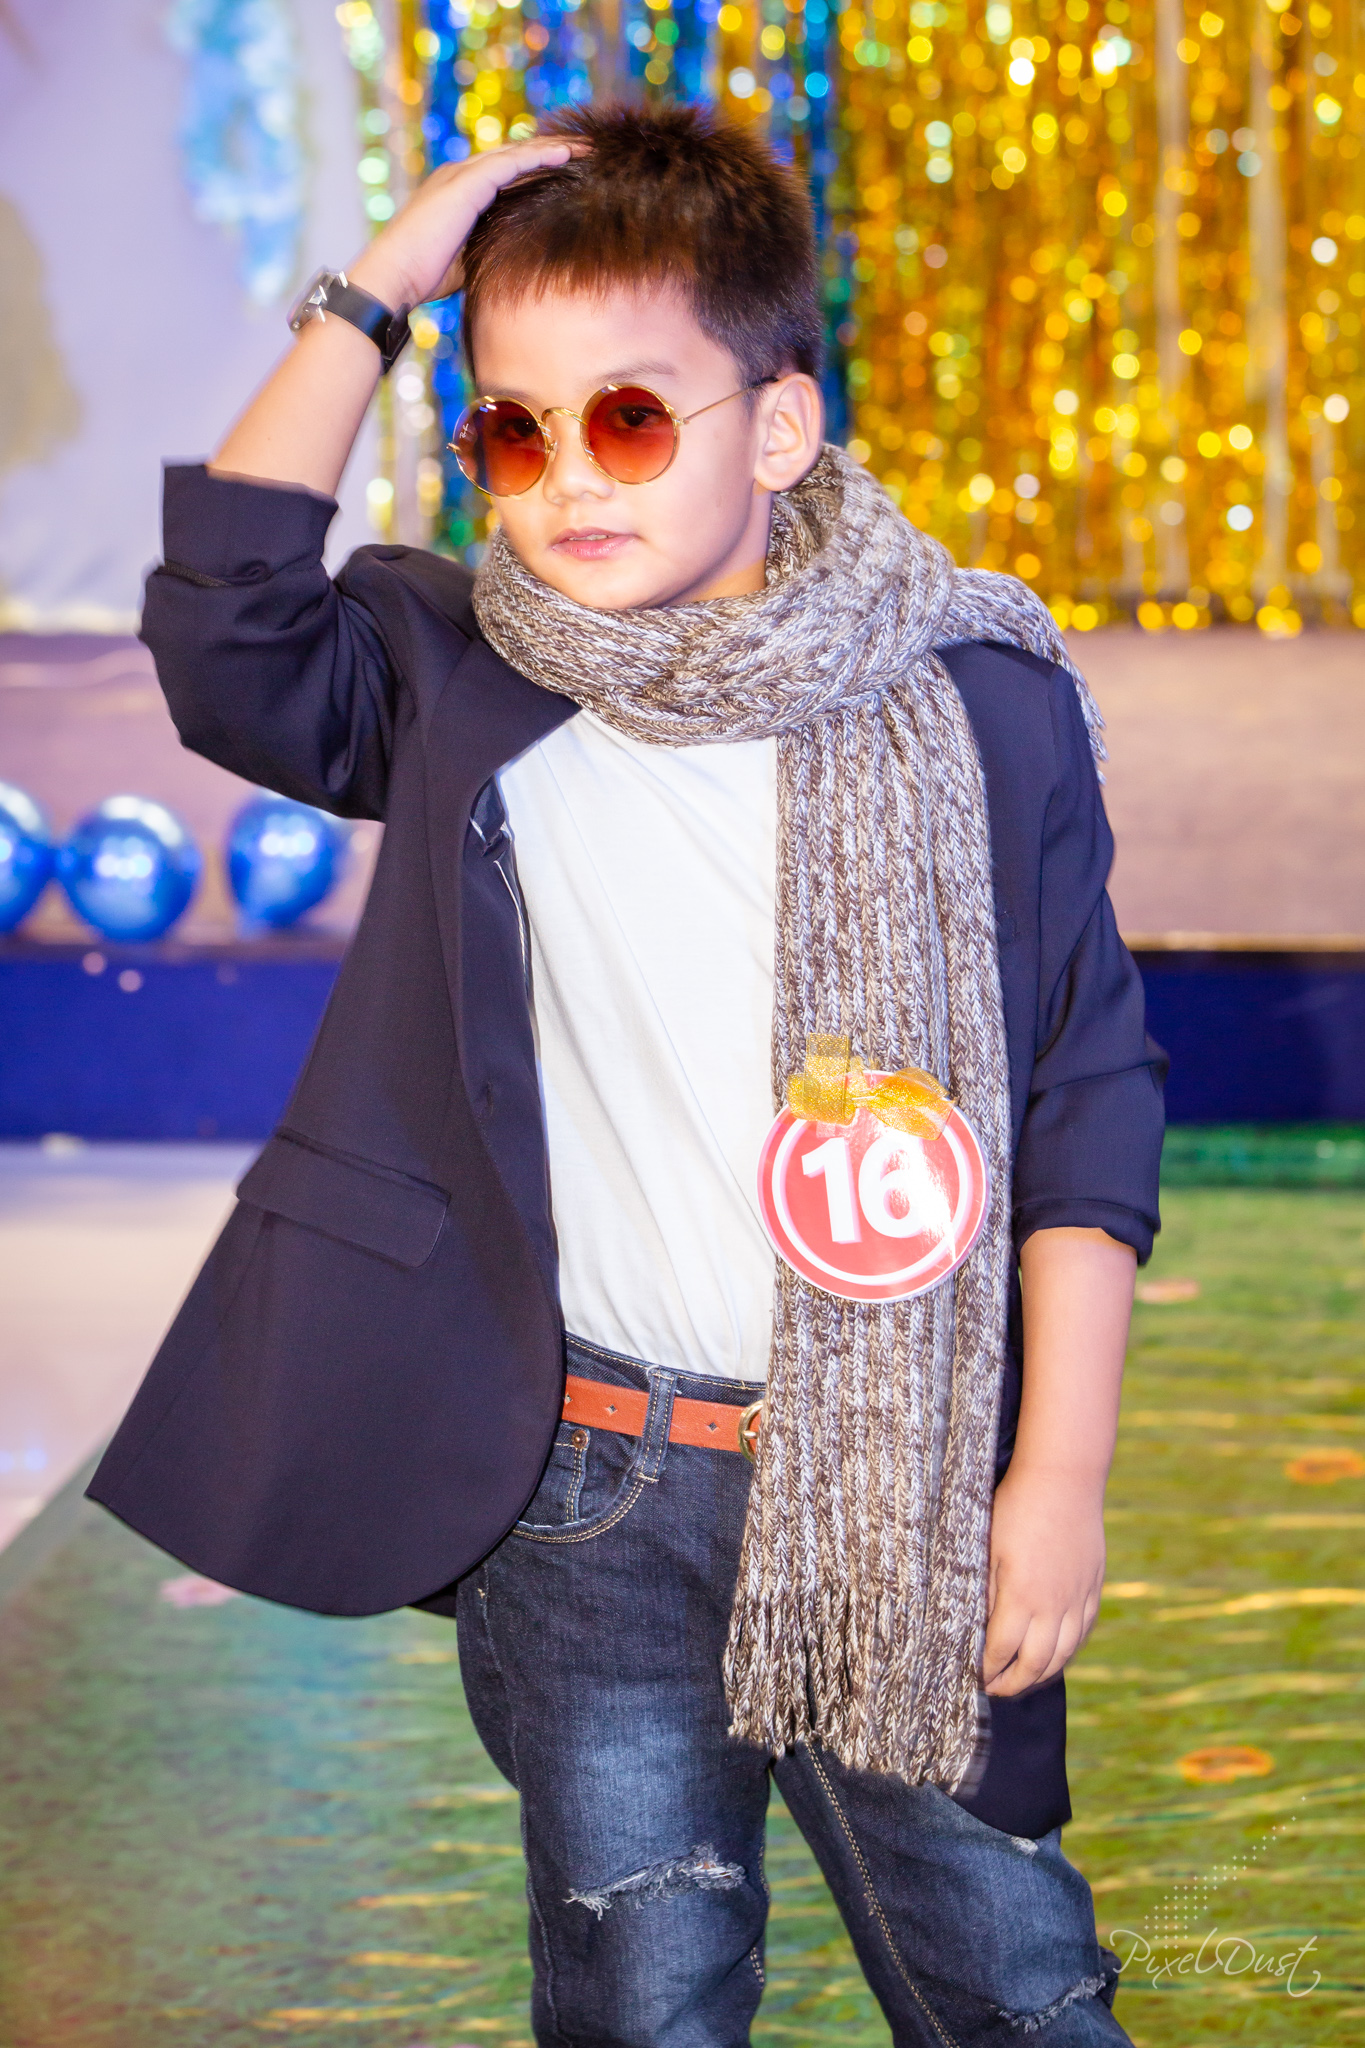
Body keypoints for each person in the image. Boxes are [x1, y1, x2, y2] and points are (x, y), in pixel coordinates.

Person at [91, 102, 1164, 2046]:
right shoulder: (459, 672)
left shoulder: (975, 699)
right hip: (581, 1491)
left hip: (901, 1480)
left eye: (633, 417)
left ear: (779, 424)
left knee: (1012, 1984)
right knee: (638, 1995)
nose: (570, 476)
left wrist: (1059, 1474)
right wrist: (380, 282)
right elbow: (230, 620)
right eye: (515, 430)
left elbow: (1081, 1097)